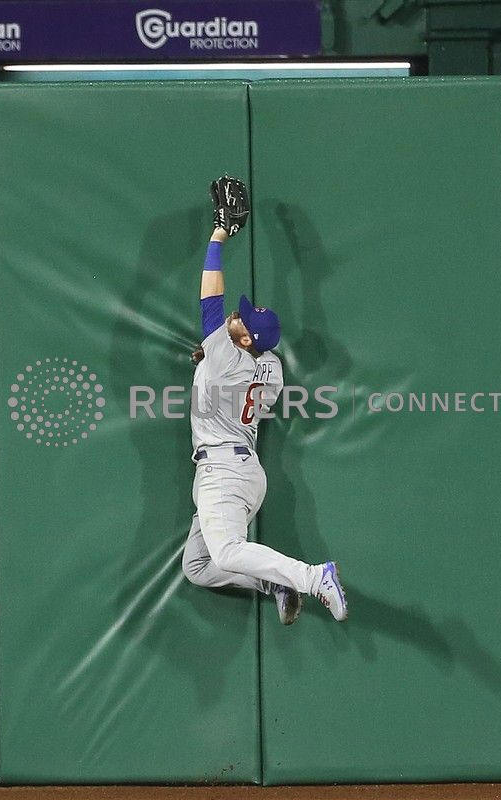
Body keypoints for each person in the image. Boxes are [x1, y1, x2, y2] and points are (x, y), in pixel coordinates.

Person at [181, 179, 347, 624]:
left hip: (223, 471)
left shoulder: (227, 357)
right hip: (245, 473)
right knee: (198, 566)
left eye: (243, 320)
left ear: (246, 340)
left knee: (226, 552)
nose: (236, 315)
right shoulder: (269, 365)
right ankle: (275, 582)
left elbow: (211, 299)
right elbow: (236, 340)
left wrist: (219, 235)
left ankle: (313, 577)